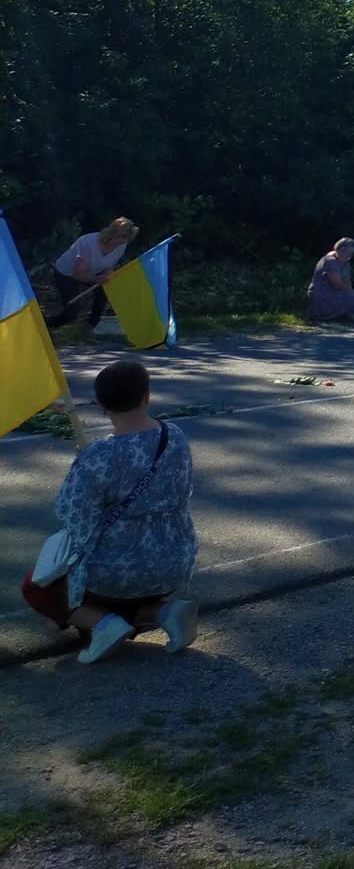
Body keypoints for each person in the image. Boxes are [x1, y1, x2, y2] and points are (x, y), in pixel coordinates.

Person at [20, 359, 198, 664]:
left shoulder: (98, 455)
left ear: (102, 405)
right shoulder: (175, 436)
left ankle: (103, 623)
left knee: (37, 587)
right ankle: (163, 611)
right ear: (147, 396)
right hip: (173, 560)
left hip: (118, 572)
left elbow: (73, 515)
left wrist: (83, 466)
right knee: (122, 587)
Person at [47, 218, 139, 331]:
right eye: (122, 237)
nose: (123, 241)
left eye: (127, 238)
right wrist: (96, 279)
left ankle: (91, 325)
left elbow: (109, 265)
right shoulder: (88, 243)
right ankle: (47, 326)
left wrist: (108, 274)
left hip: (92, 271)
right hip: (66, 274)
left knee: (104, 290)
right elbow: (78, 274)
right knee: (71, 313)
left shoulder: (122, 245)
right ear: (113, 232)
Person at [306, 238, 354, 322]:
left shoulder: (346, 264)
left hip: (337, 292)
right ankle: (326, 315)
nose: (348, 255)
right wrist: (347, 288)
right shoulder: (330, 261)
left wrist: (349, 289)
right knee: (352, 297)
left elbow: (348, 282)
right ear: (339, 249)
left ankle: (344, 316)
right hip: (322, 293)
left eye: (351, 253)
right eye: (346, 252)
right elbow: (338, 285)